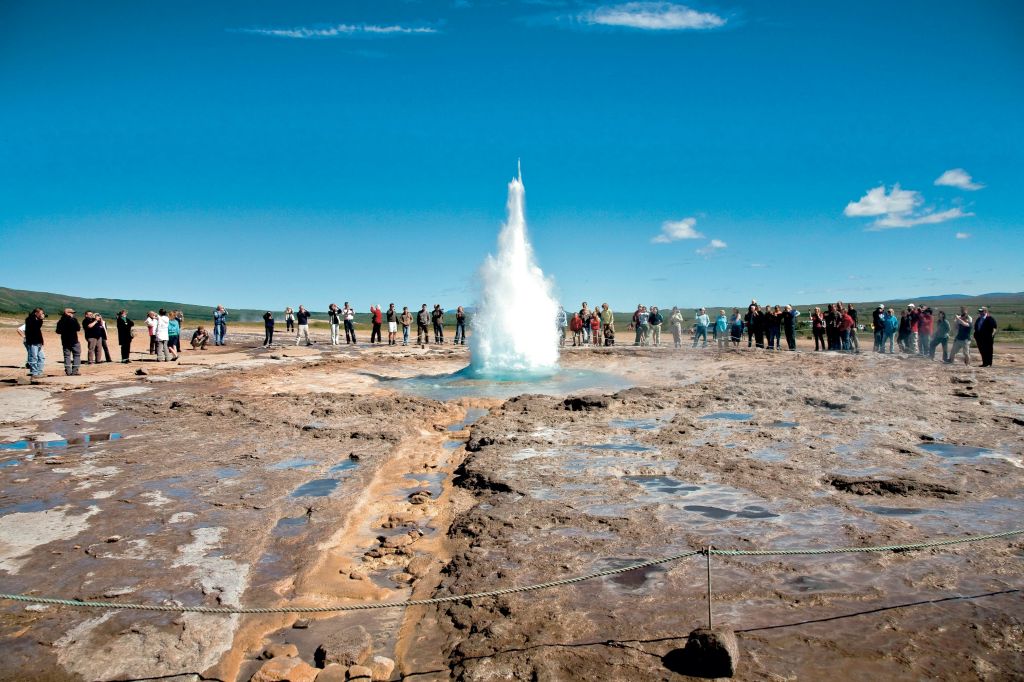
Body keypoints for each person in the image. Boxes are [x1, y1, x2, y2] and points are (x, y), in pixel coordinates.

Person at [55, 308, 81, 375]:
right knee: (76, 355)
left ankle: (68, 371)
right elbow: (78, 328)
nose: (73, 314)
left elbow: (58, 331)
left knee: (67, 356)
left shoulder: (60, 321)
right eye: (71, 313)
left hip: (65, 340)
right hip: (74, 340)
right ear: (67, 313)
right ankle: (75, 371)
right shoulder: (73, 320)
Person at [24, 308, 45, 377]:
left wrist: (41, 341)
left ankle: (40, 371)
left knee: (41, 357)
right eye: (41, 313)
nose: (42, 315)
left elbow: (38, 330)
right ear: (36, 313)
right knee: (34, 357)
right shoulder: (29, 319)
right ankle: (34, 372)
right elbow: (36, 327)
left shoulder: (37, 320)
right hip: (32, 341)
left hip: (38, 341)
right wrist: (41, 320)